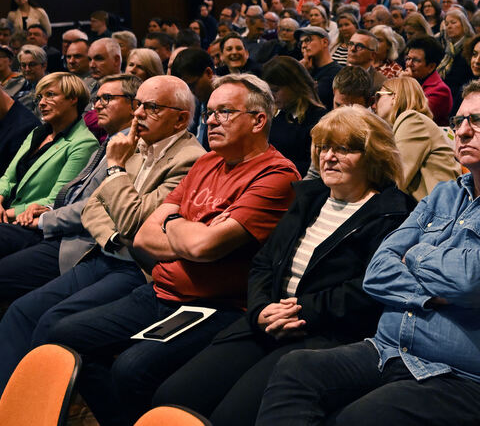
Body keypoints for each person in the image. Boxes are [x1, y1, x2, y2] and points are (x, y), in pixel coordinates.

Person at [252, 79, 480, 426]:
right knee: (296, 369)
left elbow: (473, 278)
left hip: (467, 378)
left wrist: (415, 255)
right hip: (390, 351)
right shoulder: (445, 195)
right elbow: (377, 271)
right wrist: (443, 289)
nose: (463, 131)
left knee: (361, 418)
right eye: (459, 121)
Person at [47, 74, 300, 426]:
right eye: (210, 112)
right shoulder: (207, 162)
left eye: (225, 112)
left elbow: (204, 245)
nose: (212, 120)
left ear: (258, 121)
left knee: (132, 368)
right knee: (62, 336)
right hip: (160, 290)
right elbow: (144, 237)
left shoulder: (276, 174)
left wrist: (175, 224)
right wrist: (191, 231)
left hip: (216, 304)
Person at [153, 107, 417, 426]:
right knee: (173, 396)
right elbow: (264, 263)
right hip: (266, 320)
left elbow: (369, 288)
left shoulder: (393, 213)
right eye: (324, 147)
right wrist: (261, 309)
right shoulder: (309, 197)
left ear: (373, 155)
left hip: (323, 333)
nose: (329, 157)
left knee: (231, 417)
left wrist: (299, 310)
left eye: (344, 149)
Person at [0, 75, 201, 409]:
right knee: (21, 311)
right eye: (138, 105)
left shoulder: (189, 159)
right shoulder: (136, 144)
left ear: (180, 119)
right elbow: (94, 206)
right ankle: (1, 408)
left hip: (136, 268)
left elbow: (137, 220)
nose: (138, 114)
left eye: (151, 107)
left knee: (51, 322)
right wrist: (114, 235)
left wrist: (116, 170)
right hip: (103, 251)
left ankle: (31, 410)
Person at [0, 72, 99, 260]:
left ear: (73, 98)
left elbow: (57, 199)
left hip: (32, 224)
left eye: (50, 95)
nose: (42, 103)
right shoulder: (38, 132)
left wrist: (4, 213)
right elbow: (8, 177)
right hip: (4, 214)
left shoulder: (83, 143)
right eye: (40, 97)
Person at [373, 76, 461, 201]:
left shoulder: (412, 119)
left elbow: (396, 178)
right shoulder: (408, 123)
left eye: (378, 96)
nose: (374, 105)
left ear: (394, 97)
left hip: (438, 208)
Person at [262, 57, 328, 176]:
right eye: (268, 91)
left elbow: (313, 168)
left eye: (275, 90)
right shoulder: (278, 117)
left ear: (295, 86)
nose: (271, 96)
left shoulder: (319, 120)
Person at [399, 37, 453, 126]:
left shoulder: (441, 91)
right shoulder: (415, 79)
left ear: (431, 67)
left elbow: (413, 118)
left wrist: (405, 83)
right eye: (408, 58)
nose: (409, 64)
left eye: (416, 60)